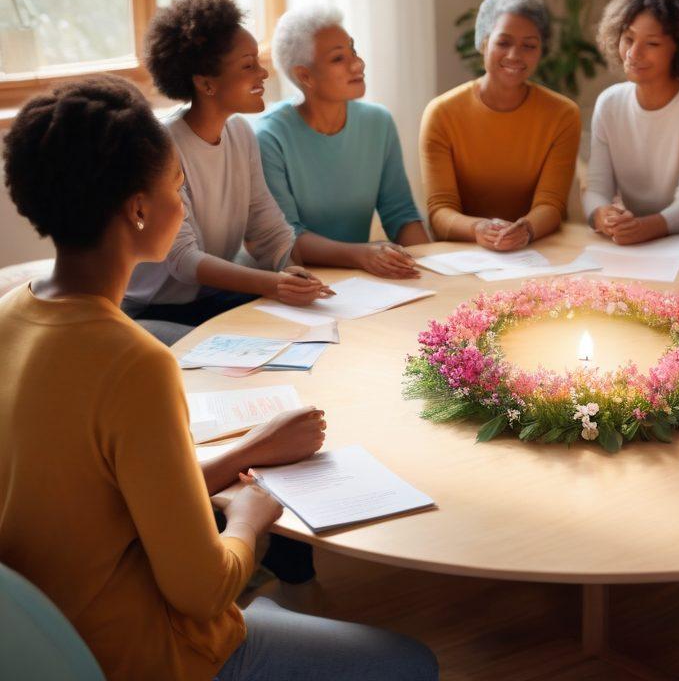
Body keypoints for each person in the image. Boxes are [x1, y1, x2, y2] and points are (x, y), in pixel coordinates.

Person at [0, 77, 438, 680]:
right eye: (178, 188)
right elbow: (203, 590)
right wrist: (252, 514)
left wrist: (249, 451)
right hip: (140, 650)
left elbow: (100, 499)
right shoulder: (136, 362)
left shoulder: (9, 316)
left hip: (38, 638)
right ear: (138, 209)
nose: (183, 206)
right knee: (412, 664)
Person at [123, 0, 357, 337]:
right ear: (206, 83)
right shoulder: (164, 145)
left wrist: (291, 270)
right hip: (155, 310)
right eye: (248, 66)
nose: (263, 74)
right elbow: (183, 260)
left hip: (208, 298)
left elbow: (266, 225)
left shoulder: (241, 133)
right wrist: (274, 284)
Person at [256, 6, 429, 280]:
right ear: (305, 76)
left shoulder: (378, 122)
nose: (358, 64)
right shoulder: (269, 136)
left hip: (361, 280)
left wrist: (435, 269)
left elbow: (401, 214)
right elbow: (288, 237)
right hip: (294, 285)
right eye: (338, 59)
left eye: (354, 51)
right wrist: (363, 255)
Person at [420, 0, 579, 250]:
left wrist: (525, 229)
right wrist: (479, 229)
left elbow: (551, 204)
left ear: (541, 51)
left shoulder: (562, 115)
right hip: (466, 254)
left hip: (537, 250)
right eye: (503, 43)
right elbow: (440, 212)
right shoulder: (441, 114)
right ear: (483, 43)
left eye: (529, 46)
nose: (514, 56)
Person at [582, 0, 679, 244]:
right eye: (628, 38)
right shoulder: (609, 103)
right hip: (635, 244)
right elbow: (596, 189)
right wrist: (603, 216)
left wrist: (643, 228)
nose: (633, 54)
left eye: (653, 44)